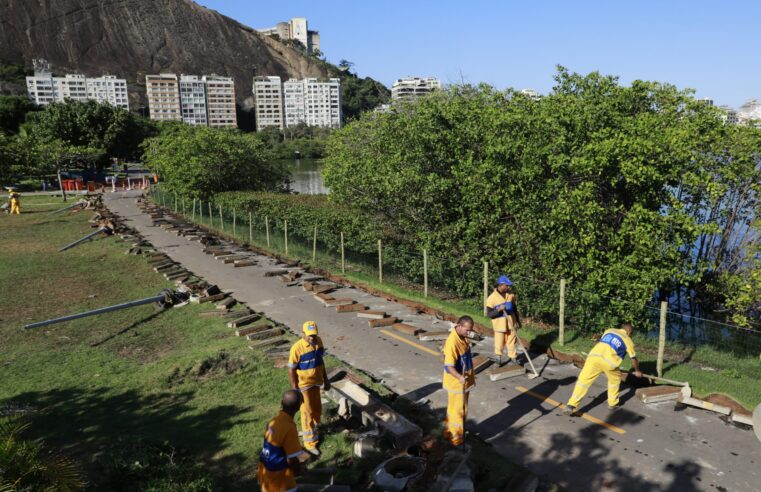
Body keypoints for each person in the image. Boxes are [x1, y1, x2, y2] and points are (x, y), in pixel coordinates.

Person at [564, 322, 642, 415]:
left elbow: (604, 344)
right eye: (632, 334)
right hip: (609, 363)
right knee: (615, 380)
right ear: (629, 332)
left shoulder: (609, 331)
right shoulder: (628, 340)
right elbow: (633, 358)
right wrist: (637, 371)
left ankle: (571, 405)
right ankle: (612, 403)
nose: (631, 336)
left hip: (593, 358)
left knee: (583, 382)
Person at [287, 320, 330, 456]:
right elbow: (291, 369)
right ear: (303, 334)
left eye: (314, 335)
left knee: (317, 408)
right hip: (304, 386)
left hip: (316, 382)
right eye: (310, 335)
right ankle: (310, 444)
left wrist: (326, 379)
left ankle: (316, 429)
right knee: (307, 413)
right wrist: (295, 388)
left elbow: (320, 361)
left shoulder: (319, 342)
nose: (312, 338)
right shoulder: (297, 348)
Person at [258, 389, 303, 492]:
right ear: (299, 407)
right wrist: (298, 471)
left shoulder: (273, 422)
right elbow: (291, 459)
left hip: (265, 472)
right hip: (279, 480)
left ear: (282, 403)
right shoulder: (289, 428)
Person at [442, 315, 476, 449]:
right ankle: (456, 439)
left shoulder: (462, 336)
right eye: (467, 330)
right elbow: (448, 366)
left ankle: (448, 432)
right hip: (457, 383)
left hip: (464, 381)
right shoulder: (452, 342)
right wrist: (460, 377)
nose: (469, 333)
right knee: (458, 411)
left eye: (470, 330)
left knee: (457, 409)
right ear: (459, 326)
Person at [485, 275, 522, 366]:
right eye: (507, 285)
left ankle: (513, 357)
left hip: (511, 323)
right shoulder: (492, 298)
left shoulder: (510, 295)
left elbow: (514, 309)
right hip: (499, 324)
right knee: (499, 341)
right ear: (501, 285)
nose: (508, 287)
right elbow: (489, 314)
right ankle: (498, 358)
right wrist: (498, 309)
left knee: (512, 341)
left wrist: (518, 320)